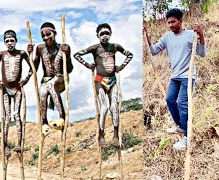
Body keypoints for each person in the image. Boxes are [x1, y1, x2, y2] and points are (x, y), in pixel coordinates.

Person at [144, 8, 206, 150]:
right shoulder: (167, 37)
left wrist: (201, 36)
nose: (170, 25)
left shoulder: (191, 35)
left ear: (180, 21)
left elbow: (201, 53)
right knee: (169, 100)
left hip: (187, 76)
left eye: (173, 22)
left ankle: (186, 137)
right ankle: (180, 126)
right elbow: (153, 51)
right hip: (175, 76)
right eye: (168, 23)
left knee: (181, 103)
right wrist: (146, 36)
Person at [74, 23, 133, 147]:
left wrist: (121, 66)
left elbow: (130, 55)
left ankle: (115, 137)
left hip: (112, 80)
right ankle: (101, 137)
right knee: (104, 108)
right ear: (97, 35)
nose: (105, 36)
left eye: (107, 33)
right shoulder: (95, 48)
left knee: (114, 108)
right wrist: (87, 65)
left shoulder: (115, 47)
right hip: (100, 80)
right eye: (102, 34)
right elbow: (77, 55)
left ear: (111, 34)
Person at [27, 22, 73, 136]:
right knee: (42, 91)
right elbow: (34, 67)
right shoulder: (40, 48)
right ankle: (44, 123)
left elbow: (70, 69)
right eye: (43, 36)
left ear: (55, 33)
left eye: (48, 34)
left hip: (60, 79)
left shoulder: (64, 48)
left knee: (51, 85)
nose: (46, 37)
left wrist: (66, 55)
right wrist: (30, 55)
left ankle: (62, 118)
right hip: (46, 80)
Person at [0, 30, 32, 157]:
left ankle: (19, 144)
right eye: (7, 41)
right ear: (4, 42)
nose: (9, 43)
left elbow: (32, 68)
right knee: (7, 117)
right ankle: (5, 146)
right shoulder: (1, 54)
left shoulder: (21, 53)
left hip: (17, 89)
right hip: (5, 89)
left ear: (16, 41)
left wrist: (25, 80)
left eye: (12, 40)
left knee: (16, 115)